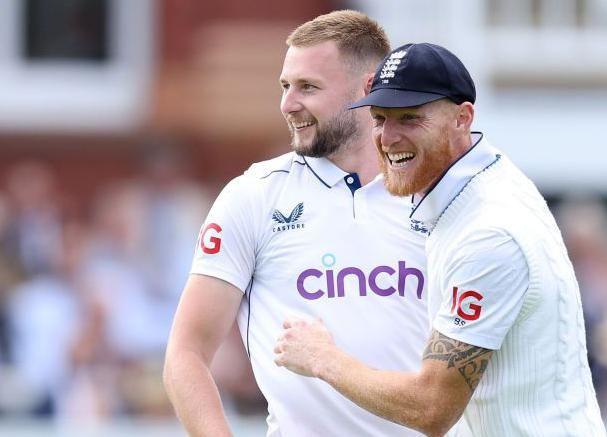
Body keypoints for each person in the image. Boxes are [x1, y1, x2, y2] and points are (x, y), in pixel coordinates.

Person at [274, 43, 607, 436]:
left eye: (410, 119)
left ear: (462, 118)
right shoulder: (485, 181)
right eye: (380, 118)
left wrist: (322, 358)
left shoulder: (487, 233)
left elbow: (431, 407)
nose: (388, 137)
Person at [164, 11, 430, 436]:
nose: (288, 104)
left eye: (308, 87)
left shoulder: (439, 195)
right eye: (286, 86)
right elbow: (185, 353)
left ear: (367, 89)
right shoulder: (253, 197)